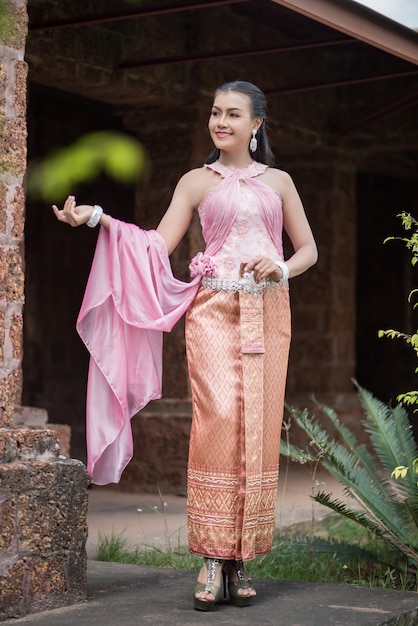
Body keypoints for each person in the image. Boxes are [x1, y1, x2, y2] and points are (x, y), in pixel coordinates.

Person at [53, 80, 317, 612]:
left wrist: (281, 266)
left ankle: (240, 558)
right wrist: (98, 218)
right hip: (213, 313)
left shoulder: (281, 183)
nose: (221, 122)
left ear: (257, 124)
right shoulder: (197, 181)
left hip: (269, 312)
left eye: (233, 115)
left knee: (258, 426)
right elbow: (156, 244)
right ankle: (211, 558)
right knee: (217, 422)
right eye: (216, 113)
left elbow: (309, 248)